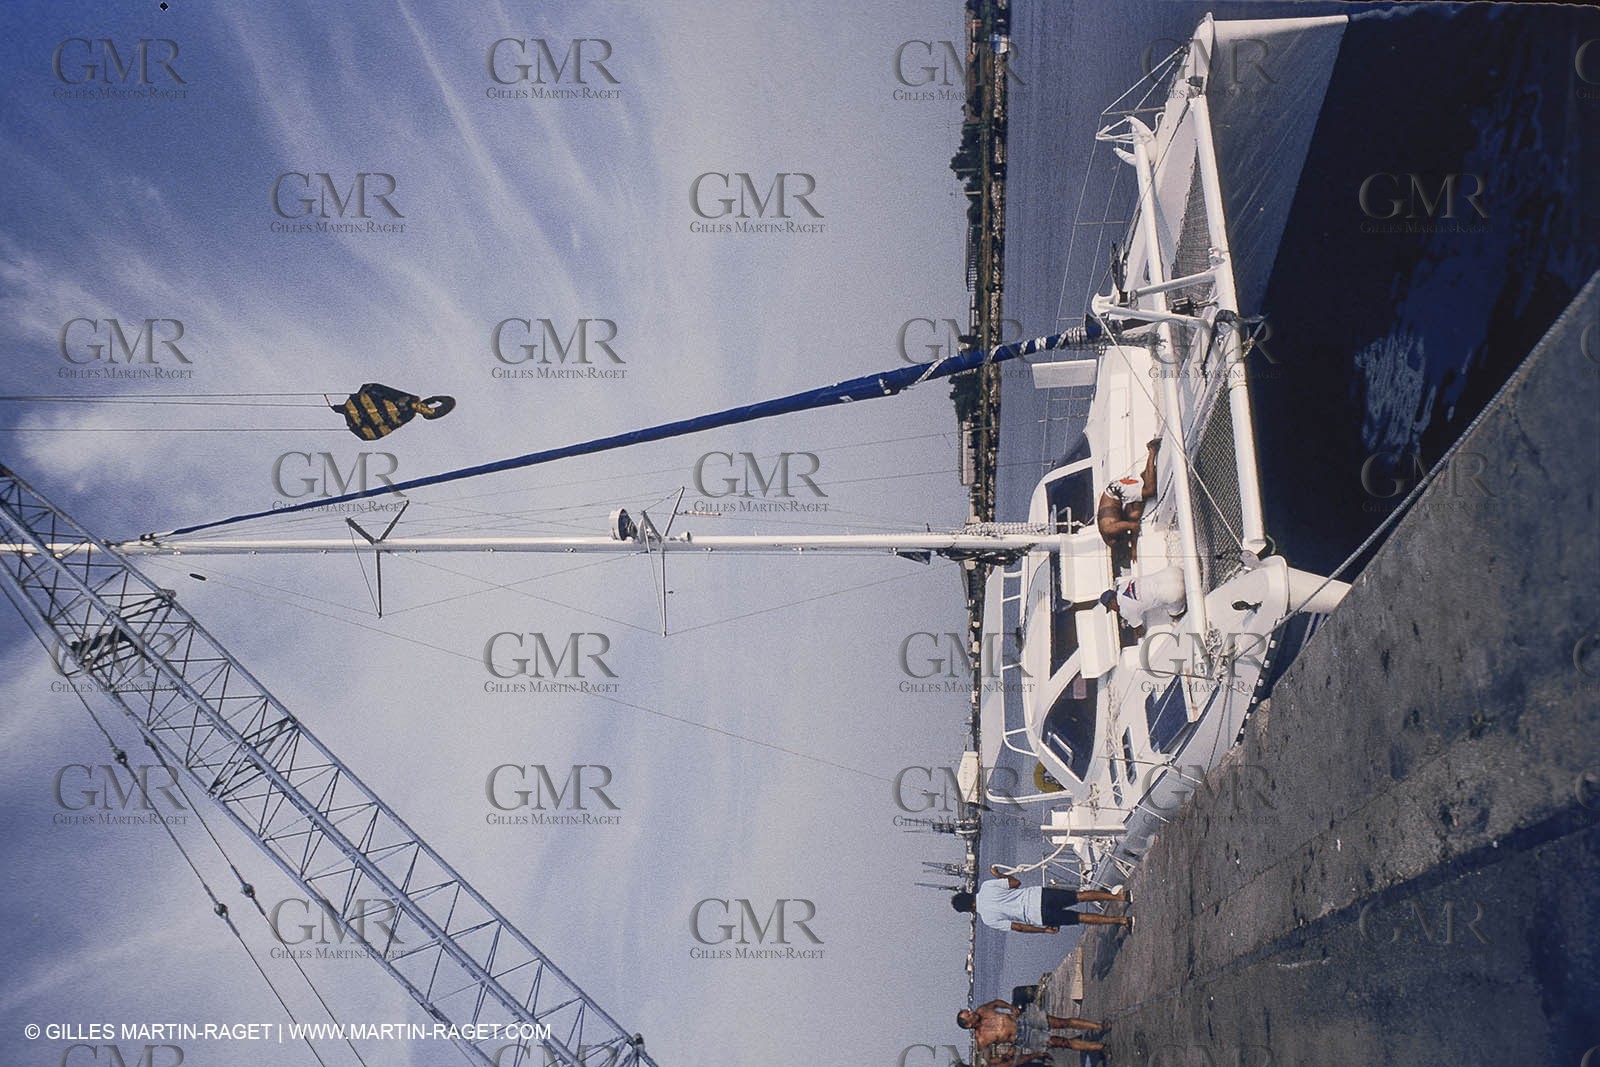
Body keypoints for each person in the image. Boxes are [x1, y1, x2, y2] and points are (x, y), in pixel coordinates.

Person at [951, 866, 1131, 933]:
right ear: (968, 895)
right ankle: (1120, 897)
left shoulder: (987, 919)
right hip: (1039, 895)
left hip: (1038, 916)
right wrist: (999, 875)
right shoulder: (987, 887)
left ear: (968, 910)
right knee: (1079, 896)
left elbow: (1019, 927)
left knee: (1080, 918)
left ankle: (1121, 921)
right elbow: (1016, 882)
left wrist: (1043, 931)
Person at [957, 999, 1106, 1058]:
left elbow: (996, 1003)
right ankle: (1101, 1047)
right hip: (1024, 1038)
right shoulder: (982, 1040)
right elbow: (990, 1061)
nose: (971, 1012)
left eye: (968, 1010)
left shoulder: (983, 1010)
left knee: (1062, 1023)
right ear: (969, 1025)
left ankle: (1099, 1026)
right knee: (1062, 1042)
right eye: (968, 1014)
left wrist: (1010, 1007)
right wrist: (1007, 1055)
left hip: (1025, 1020)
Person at [1097, 438, 1162, 556]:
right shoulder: (1110, 536)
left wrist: (1134, 548)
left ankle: (1152, 449)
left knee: (1150, 491)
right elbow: (1131, 524)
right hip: (1119, 498)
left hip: (1116, 490)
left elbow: (1133, 526)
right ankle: (1145, 476)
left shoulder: (1109, 530)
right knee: (1134, 515)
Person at [332, 383, 457, 440]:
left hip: (368, 417)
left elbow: (387, 426)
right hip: (368, 406)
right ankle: (347, 410)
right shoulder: (408, 400)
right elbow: (381, 390)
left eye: (425, 411)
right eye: (425, 407)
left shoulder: (407, 414)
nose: (422, 409)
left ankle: (347, 411)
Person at [1099, 565, 1187, 633]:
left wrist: (1136, 631)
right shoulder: (1123, 585)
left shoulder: (1124, 611)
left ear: (1112, 602)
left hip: (1175, 592)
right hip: (1174, 571)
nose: (1114, 610)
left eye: (1111, 608)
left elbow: (1140, 630)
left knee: (1174, 615)